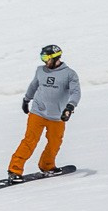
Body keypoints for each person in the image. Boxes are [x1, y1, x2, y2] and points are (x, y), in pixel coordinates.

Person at [8, 44, 80, 179]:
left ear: (55, 57)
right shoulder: (40, 70)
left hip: (57, 116)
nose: (44, 61)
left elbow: (76, 93)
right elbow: (33, 85)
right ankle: (14, 171)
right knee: (29, 141)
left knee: (55, 143)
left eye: (46, 58)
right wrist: (26, 99)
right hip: (38, 112)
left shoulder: (69, 74)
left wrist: (70, 107)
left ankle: (47, 165)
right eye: (42, 58)